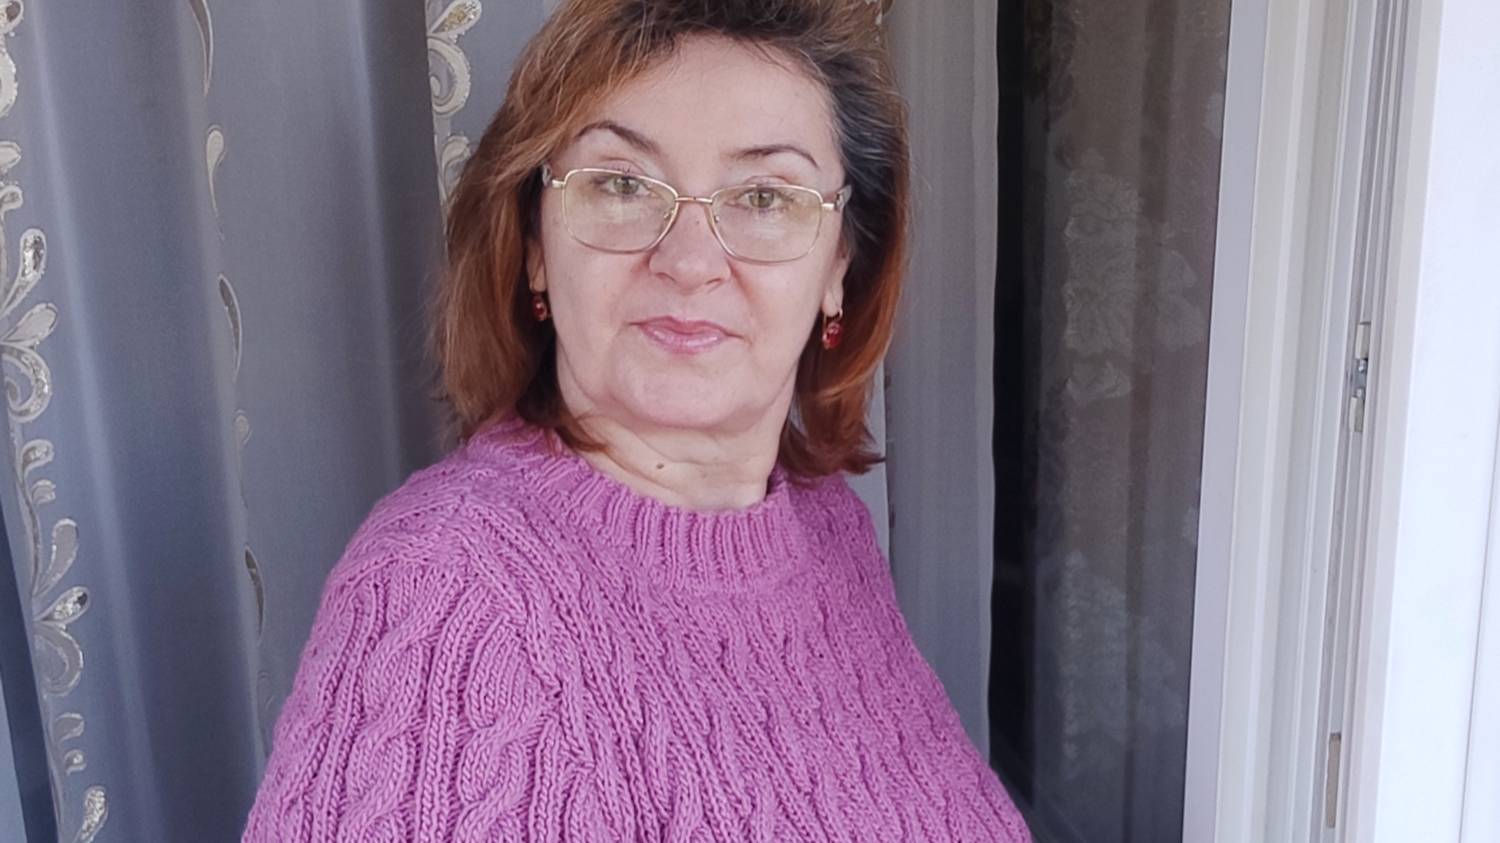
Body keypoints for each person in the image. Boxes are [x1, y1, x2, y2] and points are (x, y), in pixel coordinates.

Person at [242, 0, 1032, 839]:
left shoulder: (825, 524)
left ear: (841, 263)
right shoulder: (447, 594)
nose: (689, 262)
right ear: (536, 245)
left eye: (765, 196)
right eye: (621, 184)